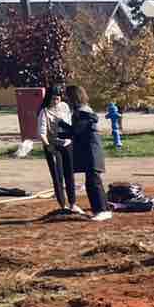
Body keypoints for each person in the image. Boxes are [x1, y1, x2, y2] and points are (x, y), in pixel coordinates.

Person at [63, 86, 112, 222]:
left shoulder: (83, 112)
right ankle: (102, 209)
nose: (65, 99)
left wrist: (59, 130)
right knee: (92, 180)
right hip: (88, 148)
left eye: (67, 96)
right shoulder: (81, 111)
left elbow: (76, 131)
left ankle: (102, 210)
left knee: (93, 180)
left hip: (91, 148)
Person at [36, 85, 77, 213]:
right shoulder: (44, 112)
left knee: (69, 174)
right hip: (53, 147)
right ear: (48, 99)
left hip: (67, 144)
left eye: (57, 99)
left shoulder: (65, 107)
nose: (55, 102)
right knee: (58, 176)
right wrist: (49, 147)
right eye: (53, 99)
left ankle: (72, 203)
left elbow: (71, 124)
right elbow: (41, 132)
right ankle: (62, 205)